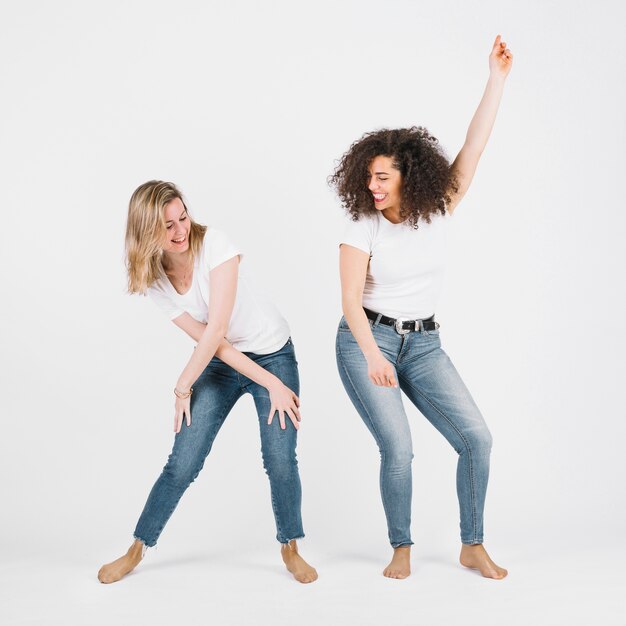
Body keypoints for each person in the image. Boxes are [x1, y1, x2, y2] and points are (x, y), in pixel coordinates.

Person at [331, 36, 512, 580]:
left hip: (426, 343)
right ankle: (401, 547)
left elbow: (475, 145)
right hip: (369, 339)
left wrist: (496, 78)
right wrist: (373, 357)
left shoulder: (438, 207)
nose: (373, 186)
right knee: (400, 448)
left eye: (383, 177)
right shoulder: (361, 225)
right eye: (369, 177)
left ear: (409, 174)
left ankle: (472, 544)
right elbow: (348, 301)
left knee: (476, 439)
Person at [98, 181, 317, 584]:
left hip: (272, 353)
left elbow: (216, 327)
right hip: (218, 362)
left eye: (183, 217)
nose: (180, 230)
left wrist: (268, 381)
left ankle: (291, 546)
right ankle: (137, 547)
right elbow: (212, 342)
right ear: (147, 231)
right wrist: (257, 383)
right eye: (167, 226)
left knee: (279, 459)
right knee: (183, 463)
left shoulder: (215, 244)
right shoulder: (154, 281)